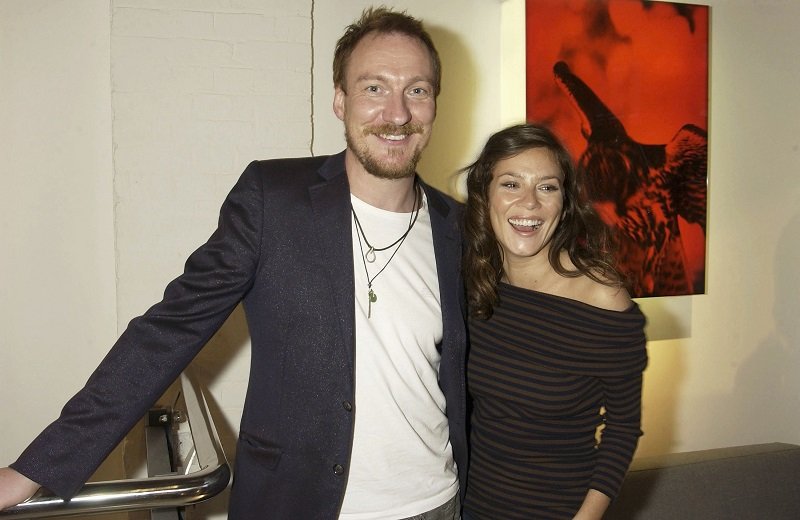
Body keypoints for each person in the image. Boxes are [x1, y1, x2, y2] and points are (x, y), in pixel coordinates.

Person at [0, 7, 467, 520]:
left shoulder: (459, 228)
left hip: (435, 502)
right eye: (374, 88)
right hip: (297, 504)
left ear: (435, 104)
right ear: (340, 100)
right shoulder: (275, 200)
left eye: (417, 90)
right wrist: (36, 469)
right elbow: (168, 330)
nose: (397, 113)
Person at [460, 123, 647, 520]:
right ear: (485, 194)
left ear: (564, 203)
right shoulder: (474, 284)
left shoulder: (602, 298)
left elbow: (623, 428)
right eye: (511, 184)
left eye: (547, 187)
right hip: (471, 508)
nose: (529, 203)